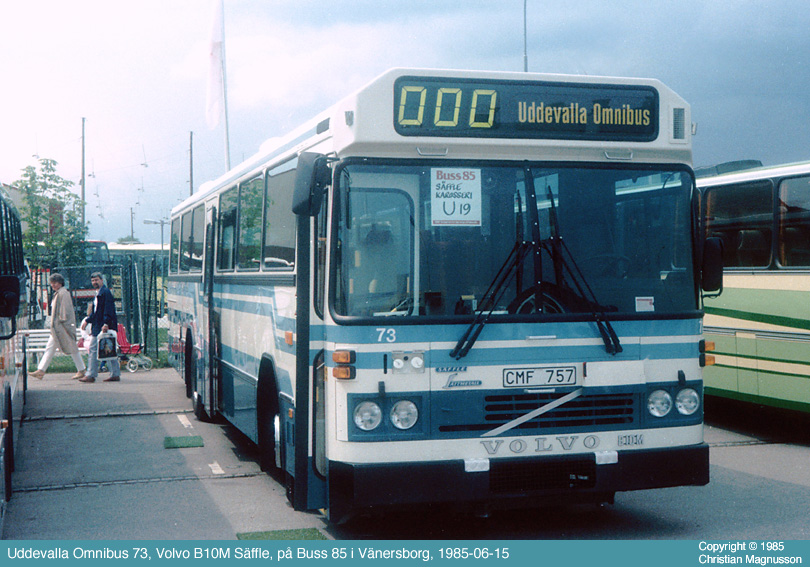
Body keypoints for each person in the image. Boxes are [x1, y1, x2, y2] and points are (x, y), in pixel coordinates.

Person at [30, 273, 86, 380]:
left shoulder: (63, 293)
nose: (53, 285)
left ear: (60, 283)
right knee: (53, 348)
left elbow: (64, 311)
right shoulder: (59, 293)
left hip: (62, 327)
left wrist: (62, 323)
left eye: (55, 282)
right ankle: (41, 370)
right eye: (52, 283)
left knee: (71, 347)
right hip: (58, 327)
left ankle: (81, 369)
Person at [79, 272, 121, 383]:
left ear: (102, 280)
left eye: (96, 280)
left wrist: (106, 323)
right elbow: (96, 312)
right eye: (93, 280)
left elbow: (108, 309)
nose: (94, 282)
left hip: (102, 326)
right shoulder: (99, 293)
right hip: (100, 325)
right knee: (109, 349)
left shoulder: (105, 293)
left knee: (93, 349)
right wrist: (88, 320)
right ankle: (115, 373)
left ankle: (91, 374)